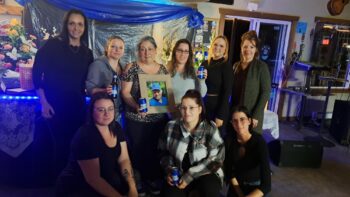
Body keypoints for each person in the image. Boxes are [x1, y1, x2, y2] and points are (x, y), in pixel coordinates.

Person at [32, 9, 93, 178]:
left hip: (77, 108)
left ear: (84, 27)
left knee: (75, 147)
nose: (76, 28)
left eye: (80, 24)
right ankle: (57, 186)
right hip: (54, 106)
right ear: (66, 25)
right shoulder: (53, 46)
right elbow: (37, 74)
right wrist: (44, 102)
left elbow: (87, 83)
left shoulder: (87, 53)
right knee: (59, 148)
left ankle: (70, 184)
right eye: (72, 23)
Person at [56, 92, 138, 197]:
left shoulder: (116, 127)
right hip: (78, 186)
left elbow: (124, 159)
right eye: (101, 110)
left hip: (105, 179)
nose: (107, 114)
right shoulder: (85, 136)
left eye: (110, 109)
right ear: (91, 112)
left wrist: (132, 187)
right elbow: (93, 179)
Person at [121, 36, 169, 195]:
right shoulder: (131, 67)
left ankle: (152, 180)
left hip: (158, 119)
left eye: (149, 49)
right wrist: (136, 106)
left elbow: (164, 95)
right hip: (136, 118)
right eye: (142, 49)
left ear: (155, 51)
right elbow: (125, 92)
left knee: (154, 150)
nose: (146, 52)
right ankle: (137, 182)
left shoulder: (163, 69)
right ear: (138, 51)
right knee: (137, 150)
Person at [159, 89, 225, 197]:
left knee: (210, 189)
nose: (187, 112)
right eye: (183, 107)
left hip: (205, 173)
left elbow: (216, 159)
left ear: (199, 109)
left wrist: (190, 175)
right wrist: (169, 170)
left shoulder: (210, 128)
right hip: (179, 174)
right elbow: (162, 152)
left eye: (191, 108)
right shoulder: (171, 126)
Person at [224, 106, 271, 197]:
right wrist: (240, 194)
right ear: (232, 123)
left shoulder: (259, 142)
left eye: (242, 119)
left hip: (257, 188)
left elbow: (266, 185)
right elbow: (229, 171)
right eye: (235, 120)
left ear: (249, 121)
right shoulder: (228, 140)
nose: (238, 124)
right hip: (237, 185)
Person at [230, 30, 271, 134]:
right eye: (245, 46)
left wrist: (256, 115)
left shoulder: (261, 67)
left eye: (251, 47)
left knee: (251, 143)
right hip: (236, 114)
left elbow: (265, 92)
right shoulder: (236, 66)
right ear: (241, 47)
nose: (248, 50)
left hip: (252, 115)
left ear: (256, 49)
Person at [86, 35, 125, 125]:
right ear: (107, 48)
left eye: (120, 47)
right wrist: (104, 90)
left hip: (119, 112)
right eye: (113, 46)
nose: (117, 50)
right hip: (103, 114)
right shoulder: (97, 65)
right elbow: (89, 90)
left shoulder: (123, 66)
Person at [201, 35, 232, 132]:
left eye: (221, 46)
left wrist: (220, 115)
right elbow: (199, 86)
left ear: (225, 49)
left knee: (214, 140)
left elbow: (227, 92)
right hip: (203, 105)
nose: (217, 47)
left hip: (217, 108)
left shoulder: (226, 66)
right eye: (215, 44)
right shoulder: (205, 64)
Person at [167, 39, 207, 105]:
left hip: (187, 112)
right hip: (169, 112)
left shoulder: (195, 72)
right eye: (180, 50)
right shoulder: (166, 71)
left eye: (186, 51)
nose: (183, 54)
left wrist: (202, 81)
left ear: (189, 54)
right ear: (175, 52)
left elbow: (202, 94)